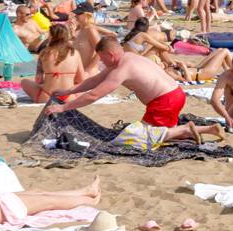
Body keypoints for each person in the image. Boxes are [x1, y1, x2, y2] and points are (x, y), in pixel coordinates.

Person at [47, 36, 217, 149]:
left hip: (165, 101)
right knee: (164, 135)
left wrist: (64, 108)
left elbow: (94, 94)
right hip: (174, 95)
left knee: (134, 139)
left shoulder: (122, 68)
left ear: (110, 54)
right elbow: (95, 80)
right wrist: (70, 90)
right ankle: (209, 129)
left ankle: (186, 128)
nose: (102, 62)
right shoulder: (128, 57)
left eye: (102, 58)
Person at [21, 25, 85, 104]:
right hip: (69, 96)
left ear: (52, 37)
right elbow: (81, 79)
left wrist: (49, 81)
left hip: (47, 97)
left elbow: (39, 80)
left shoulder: (44, 53)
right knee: (84, 85)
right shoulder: (75, 53)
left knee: (24, 82)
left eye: (49, 35)